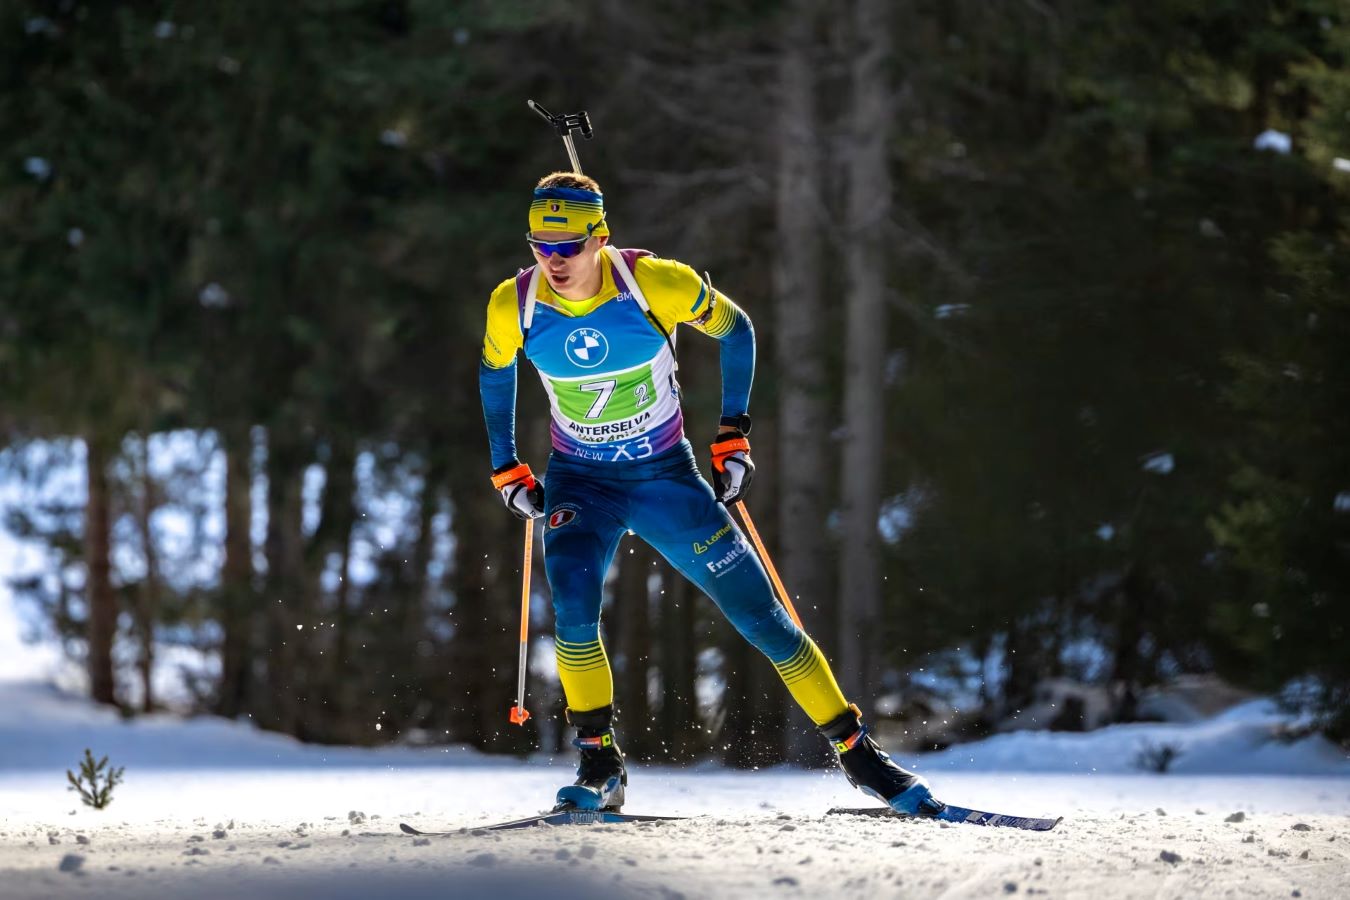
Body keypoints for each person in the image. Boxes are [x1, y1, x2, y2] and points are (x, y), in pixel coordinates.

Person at [479, 171, 939, 816]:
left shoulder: (656, 283)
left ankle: (861, 757)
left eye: (569, 246)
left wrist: (733, 435)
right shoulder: (515, 302)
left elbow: (738, 329)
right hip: (581, 482)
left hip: (665, 478)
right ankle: (599, 763)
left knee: (762, 619)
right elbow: (494, 371)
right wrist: (506, 467)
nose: (553, 260)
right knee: (575, 608)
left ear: (600, 236)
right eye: (539, 244)